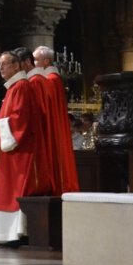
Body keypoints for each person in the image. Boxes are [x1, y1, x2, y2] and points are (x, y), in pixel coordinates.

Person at [0, 48, 44, 248]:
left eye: (4, 64)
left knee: (14, 189)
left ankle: (17, 234)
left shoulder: (21, 87)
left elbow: (20, 120)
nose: (0, 68)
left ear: (17, 65)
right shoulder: (13, 88)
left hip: (19, 153)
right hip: (11, 152)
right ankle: (11, 234)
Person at [33, 46, 80, 194]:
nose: (33, 63)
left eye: (35, 60)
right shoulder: (51, 78)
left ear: (46, 61)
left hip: (52, 126)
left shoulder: (51, 79)